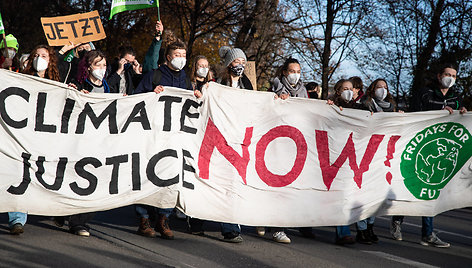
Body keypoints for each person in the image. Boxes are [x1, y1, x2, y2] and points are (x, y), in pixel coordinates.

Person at [391, 64, 466, 248]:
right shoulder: (425, 93)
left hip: (440, 150)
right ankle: (397, 219)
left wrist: (462, 113)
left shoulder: (456, 98)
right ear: (439, 75)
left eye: (453, 75)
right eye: (447, 74)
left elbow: (459, 118)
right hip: (420, 147)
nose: (450, 77)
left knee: (431, 190)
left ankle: (427, 234)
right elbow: (415, 116)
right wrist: (438, 114)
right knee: (412, 187)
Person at [134, 40, 194, 240]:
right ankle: (144, 219)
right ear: (168, 57)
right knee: (146, 175)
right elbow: (135, 99)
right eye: (177, 55)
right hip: (152, 135)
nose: (181, 59)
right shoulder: (154, 76)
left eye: (184, 55)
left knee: (170, 178)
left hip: (175, 138)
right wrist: (152, 94)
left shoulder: (186, 82)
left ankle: (163, 218)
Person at [327, 78, 360, 245]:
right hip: (332, 155)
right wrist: (331, 109)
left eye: (351, 88)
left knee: (344, 195)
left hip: (351, 157)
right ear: (338, 91)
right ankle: (306, 225)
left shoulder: (359, 108)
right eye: (345, 88)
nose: (349, 91)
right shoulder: (330, 105)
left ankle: (344, 232)